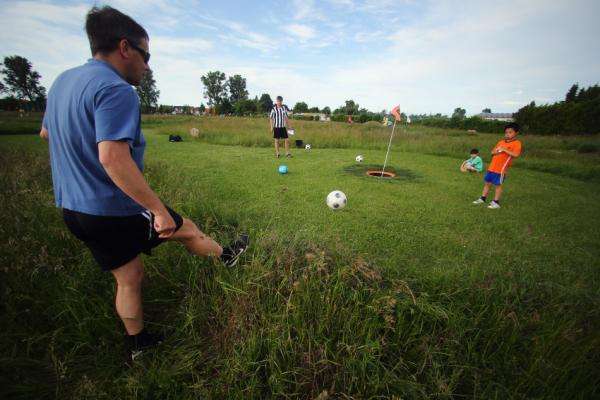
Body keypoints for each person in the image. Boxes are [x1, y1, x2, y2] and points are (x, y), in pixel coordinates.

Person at [39, 6, 248, 363]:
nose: (147, 66)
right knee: (186, 229)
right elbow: (112, 158)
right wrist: (157, 210)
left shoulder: (62, 82)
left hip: (72, 209)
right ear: (125, 47)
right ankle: (229, 258)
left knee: (129, 275)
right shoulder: (116, 89)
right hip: (110, 208)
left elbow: (47, 133)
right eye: (145, 55)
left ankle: (139, 346)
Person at [472, 123, 523, 209]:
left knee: (498, 185)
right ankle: (482, 198)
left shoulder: (517, 143)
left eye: (510, 132)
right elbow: (492, 152)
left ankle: (496, 202)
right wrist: (497, 151)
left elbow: (515, 154)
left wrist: (504, 149)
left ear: (516, 133)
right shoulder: (501, 142)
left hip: (501, 169)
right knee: (487, 183)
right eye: (506, 132)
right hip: (492, 167)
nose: (508, 134)